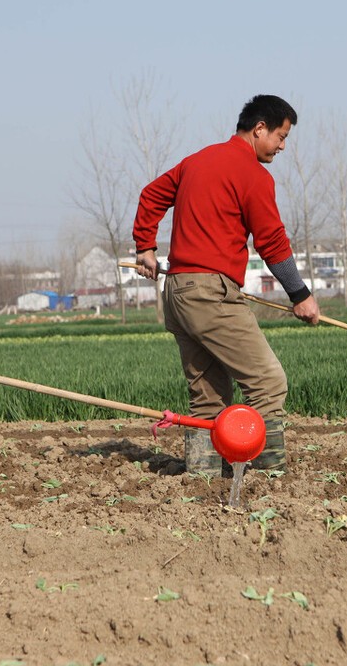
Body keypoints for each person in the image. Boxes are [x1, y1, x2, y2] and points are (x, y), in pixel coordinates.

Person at [133, 94, 320, 475]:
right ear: (259, 128)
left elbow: (151, 195)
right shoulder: (253, 175)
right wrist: (300, 295)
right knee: (268, 382)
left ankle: (203, 478)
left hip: (178, 293)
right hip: (210, 294)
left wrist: (145, 248)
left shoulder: (196, 161)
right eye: (281, 136)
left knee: (208, 396)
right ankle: (270, 477)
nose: (283, 146)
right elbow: (271, 241)